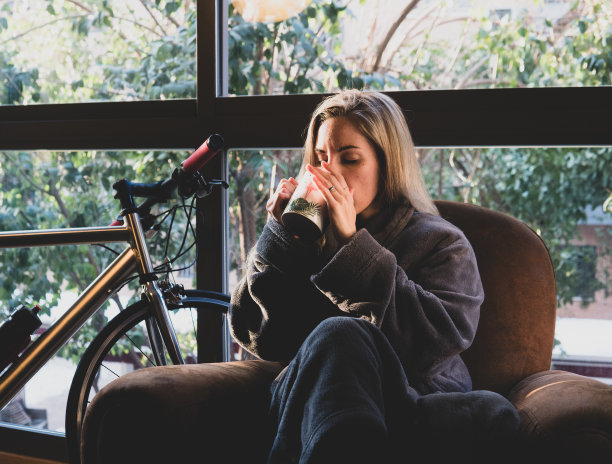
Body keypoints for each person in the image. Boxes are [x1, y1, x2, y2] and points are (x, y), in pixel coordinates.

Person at [229, 89, 519, 463]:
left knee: (490, 413)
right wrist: (281, 241)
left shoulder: (441, 243)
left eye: (349, 159)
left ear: (387, 163)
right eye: (320, 158)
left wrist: (353, 248)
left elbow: (436, 340)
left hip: (408, 405)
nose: (330, 171)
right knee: (337, 335)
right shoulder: (303, 243)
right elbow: (258, 335)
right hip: (313, 410)